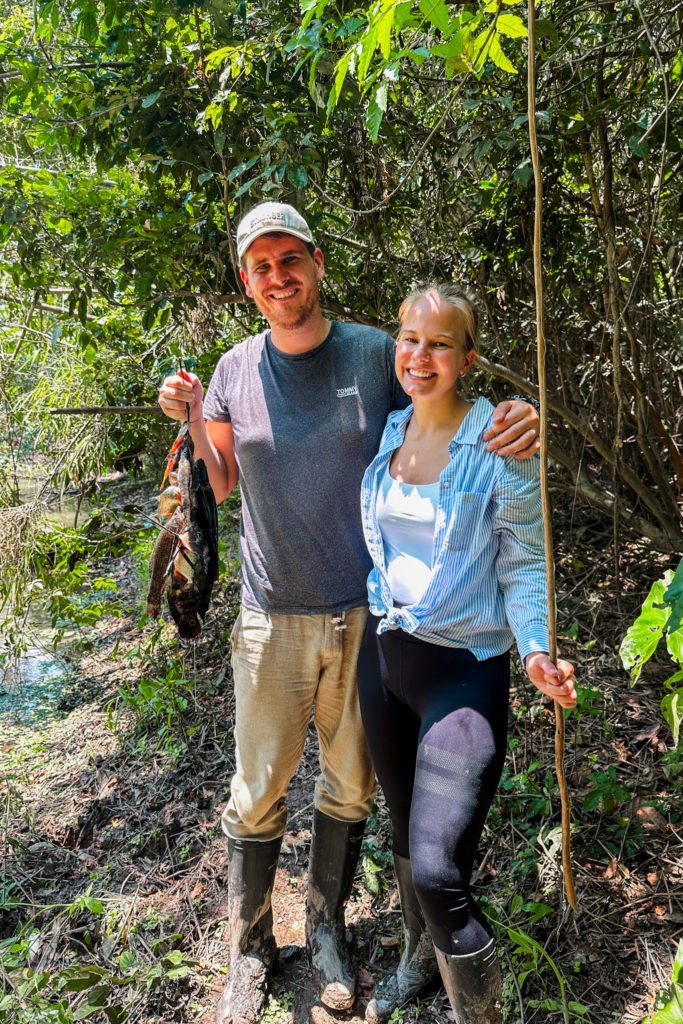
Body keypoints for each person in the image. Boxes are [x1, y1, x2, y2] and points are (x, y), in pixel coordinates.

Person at [157, 203, 541, 1024]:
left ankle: (326, 932)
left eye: (289, 258)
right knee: (256, 790)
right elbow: (217, 483)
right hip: (269, 614)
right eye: (259, 266)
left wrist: (516, 415)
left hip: (367, 618)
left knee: (349, 787)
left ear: (317, 262)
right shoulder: (233, 368)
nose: (277, 277)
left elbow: (443, 401)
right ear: (245, 281)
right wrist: (189, 416)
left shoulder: (374, 353)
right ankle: (251, 951)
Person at [356, 283, 577, 1024]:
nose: (419, 355)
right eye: (408, 338)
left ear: (467, 357)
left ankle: (480, 1014)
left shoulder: (498, 443)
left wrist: (538, 648)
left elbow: (522, 562)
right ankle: (420, 960)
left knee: (440, 869)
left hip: (461, 674)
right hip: (384, 665)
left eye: (438, 342)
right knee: (402, 833)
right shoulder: (389, 430)